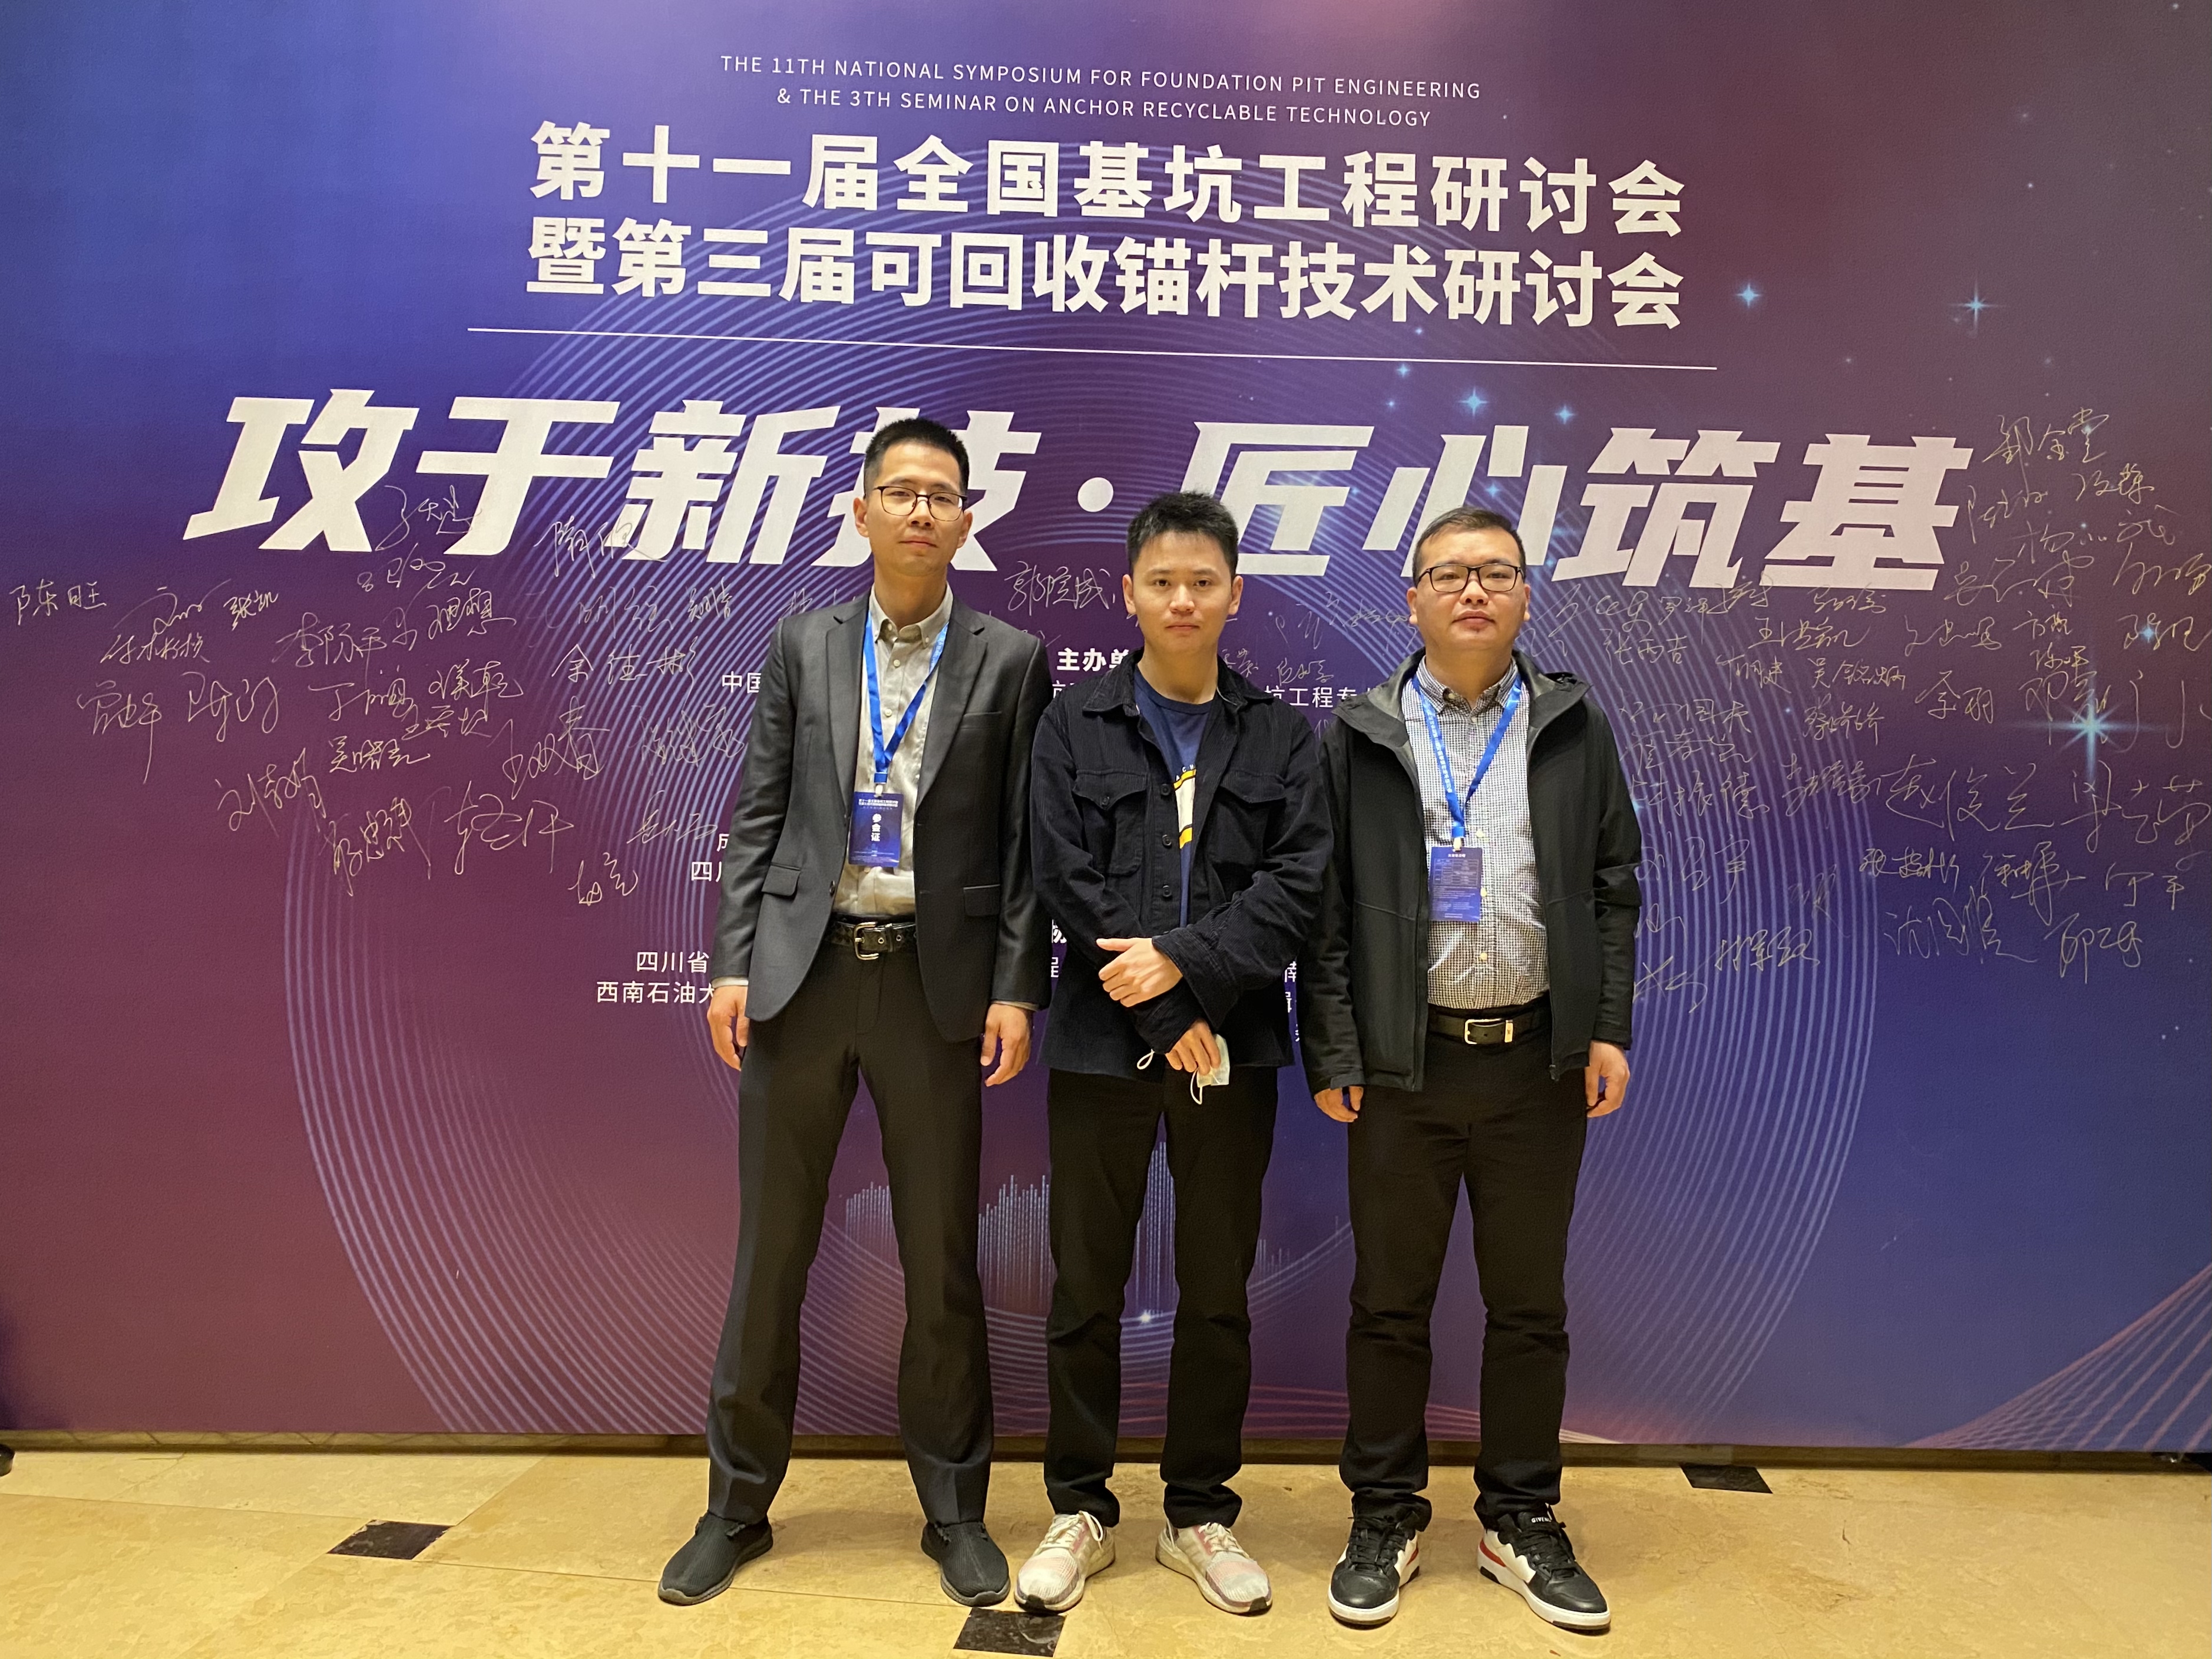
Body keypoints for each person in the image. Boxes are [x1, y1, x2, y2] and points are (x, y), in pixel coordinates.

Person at [659, 417, 1051, 1610]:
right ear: (862, 510)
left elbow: (1025, 845)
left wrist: (1015, 985)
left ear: (968, 520)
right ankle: (736, 1506)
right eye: (901, 491)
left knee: (942, 1260)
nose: (921, 511)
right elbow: (760, 809)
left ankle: (955, 1510)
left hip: (936, 985)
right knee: (771, 1253)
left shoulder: (1010, 658)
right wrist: (732, 962)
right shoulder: (805, 644)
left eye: (943, 494)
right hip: (804, 975)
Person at [1298, 505, 1641, 1633]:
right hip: (1405, 1069)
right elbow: (1326, 912)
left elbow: (1613, 885)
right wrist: (1336, 1046)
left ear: (1527, 594)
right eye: (1449, 574)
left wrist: (1605, 1026)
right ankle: (1385, 1513)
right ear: (1413, 600)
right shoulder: (1362, 734)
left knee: (1529, 1308)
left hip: (1536, 1064)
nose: (1474, 591)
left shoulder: (1572, 724)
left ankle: (1520, 1516)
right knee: (1388, 1305)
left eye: (1496, 572)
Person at [1013, 491, 1330, 1618]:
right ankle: (1081, 1509)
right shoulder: (1074, 722)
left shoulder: (1282, 736)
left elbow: (1297, 887)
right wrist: (1161, 1015)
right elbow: (1063, 875)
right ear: (1130, 593)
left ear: (1236, 594)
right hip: (1106, 1047)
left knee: (1217, 1290)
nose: (1183, 600)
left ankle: (1198, 1511)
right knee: (1083, 1286)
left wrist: (1187, 970)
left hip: (1231, 1045)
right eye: (1163, 582)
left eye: (1204, 582)